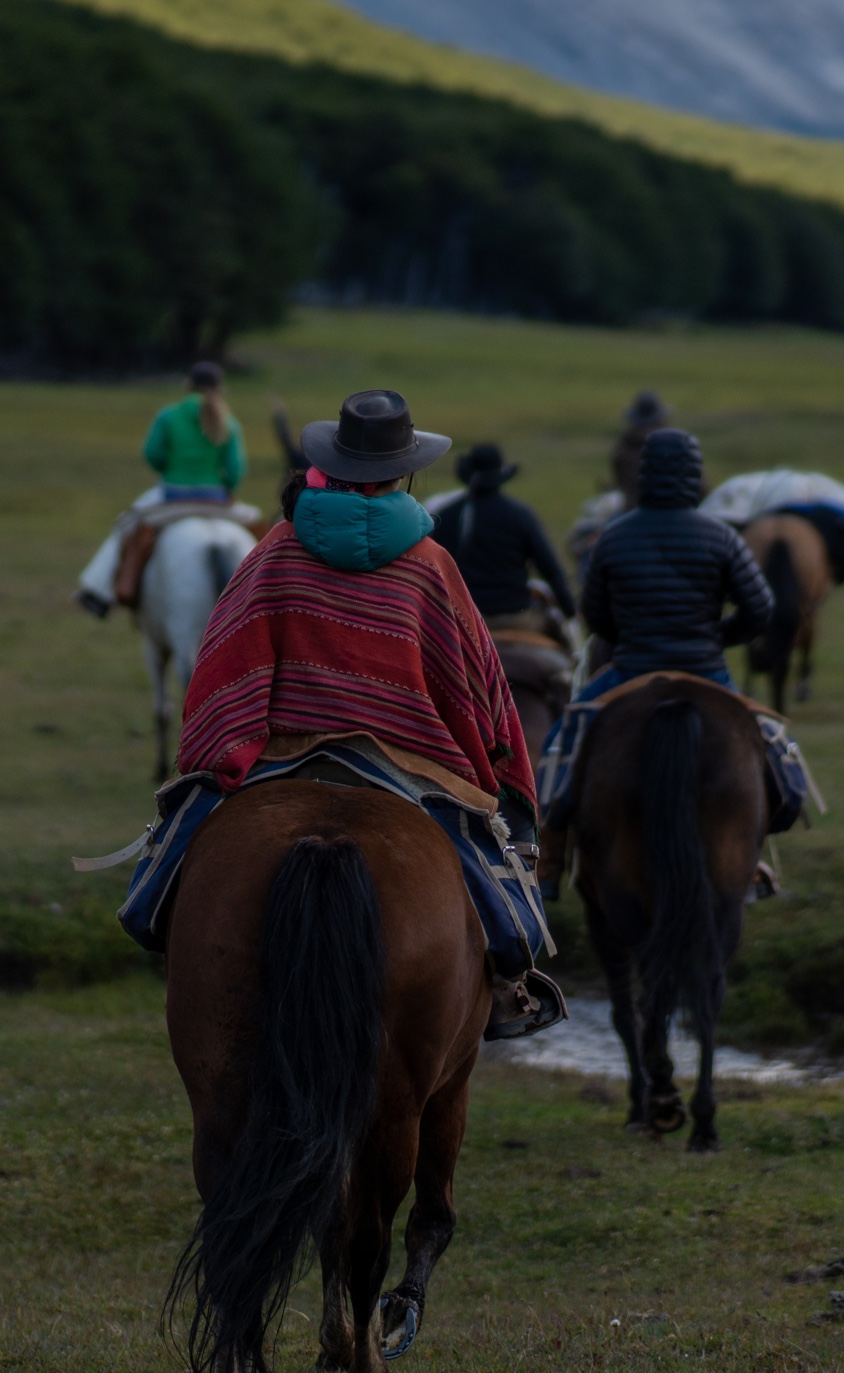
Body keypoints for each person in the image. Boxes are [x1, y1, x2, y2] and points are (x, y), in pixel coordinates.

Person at [160, 389, 557, 1036]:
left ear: (334, 461)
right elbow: (478, 687)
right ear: (403, 472)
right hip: (410, 762)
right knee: (497, 889)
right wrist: (494, 777)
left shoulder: (276, 551)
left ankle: (151, 909)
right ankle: (515, 977)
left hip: (279, 758)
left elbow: (223, 667)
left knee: (174, 868)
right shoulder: (431, 566)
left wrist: (219, 757)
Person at [535, 427, 774, 897]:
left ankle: (550, 858)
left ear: (643, 474)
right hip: (707, 669)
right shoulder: (722, 536)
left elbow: (597, 615)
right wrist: (717, 636)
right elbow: (760, 608)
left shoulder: (613, 536)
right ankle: (751, 859)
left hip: (631, 669)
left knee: (561, 744)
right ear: (695, 477)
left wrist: (635, 633)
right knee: (769, 750)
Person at [75, 361, 250, 617]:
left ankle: (98, 592)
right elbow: (235, 468)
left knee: (127, 524)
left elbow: (152, 453)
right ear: (220, 388)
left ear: (188, 385)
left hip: (173, 495)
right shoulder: (228, 421)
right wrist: (227, 489)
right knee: (258, 529)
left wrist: (169, 469)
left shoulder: (169, 416)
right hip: (215, 497)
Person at [430, 444, 576, 636]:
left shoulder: (446, 516)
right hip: (518, 617)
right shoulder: (520, 515)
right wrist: (570, 612)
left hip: (464, 621)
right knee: (564, 642)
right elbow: (550, 571)